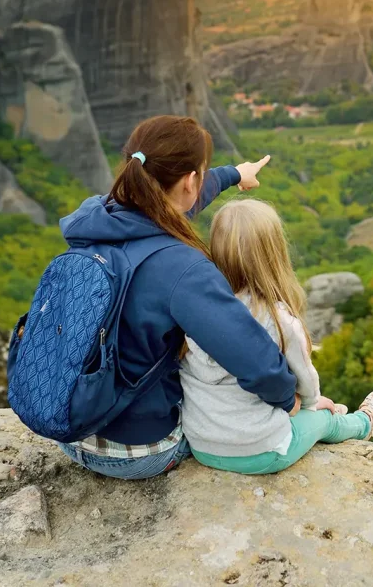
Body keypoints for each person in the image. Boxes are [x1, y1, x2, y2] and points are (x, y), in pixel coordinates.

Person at [56, 115, 297, 479]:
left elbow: (164, 209)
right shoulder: (183, 269)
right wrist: (290, 401)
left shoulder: (97, 219)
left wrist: (233, 174)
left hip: (70, 431)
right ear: (189, 181)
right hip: (138, 453)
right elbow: (255, 361)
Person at [181, 199, 373, 474]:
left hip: (202, 444)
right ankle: (363, 423)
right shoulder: (279, 320)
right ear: (275, 255)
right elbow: (305, 379)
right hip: (261, 450)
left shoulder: (198, 308)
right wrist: (315, 404)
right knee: (326, 420)